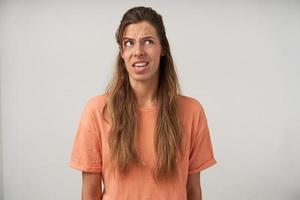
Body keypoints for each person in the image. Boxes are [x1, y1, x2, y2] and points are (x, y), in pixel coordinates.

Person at [69, 6, 216, 200]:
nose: (138, 51)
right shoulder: (97, 111)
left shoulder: (192, 112)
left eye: (148, 41)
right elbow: (90, 193)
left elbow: (193, 191)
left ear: (162, 48)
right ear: (122, 52)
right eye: (129, 43)